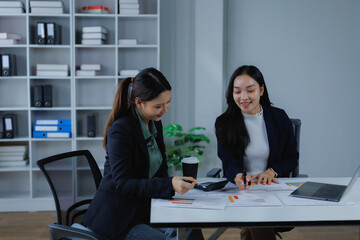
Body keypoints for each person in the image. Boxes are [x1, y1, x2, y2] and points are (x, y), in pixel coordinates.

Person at [83, 68, 203, 240]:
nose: (165, 109)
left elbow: (159, 169)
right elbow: (123, 185)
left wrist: (174, 190)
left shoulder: (154, 122)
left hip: (146, 208)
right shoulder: (121, 130)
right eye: (158, 106)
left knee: (191, 229)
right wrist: (169, 184)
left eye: (168, 102)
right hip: (119, 219)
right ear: (139, 102)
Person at [215, 65, 299, 240]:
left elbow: (292, 158)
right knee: (256, 217)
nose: (243, 97)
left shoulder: (278, 117)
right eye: (237, 91)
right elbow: (228, 162)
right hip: (242, 190)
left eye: (250, 90)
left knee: (253, 225)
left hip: (272, 188)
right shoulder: (224, 123)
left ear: (261, 90)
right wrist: (237, 175)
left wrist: (272, 171)